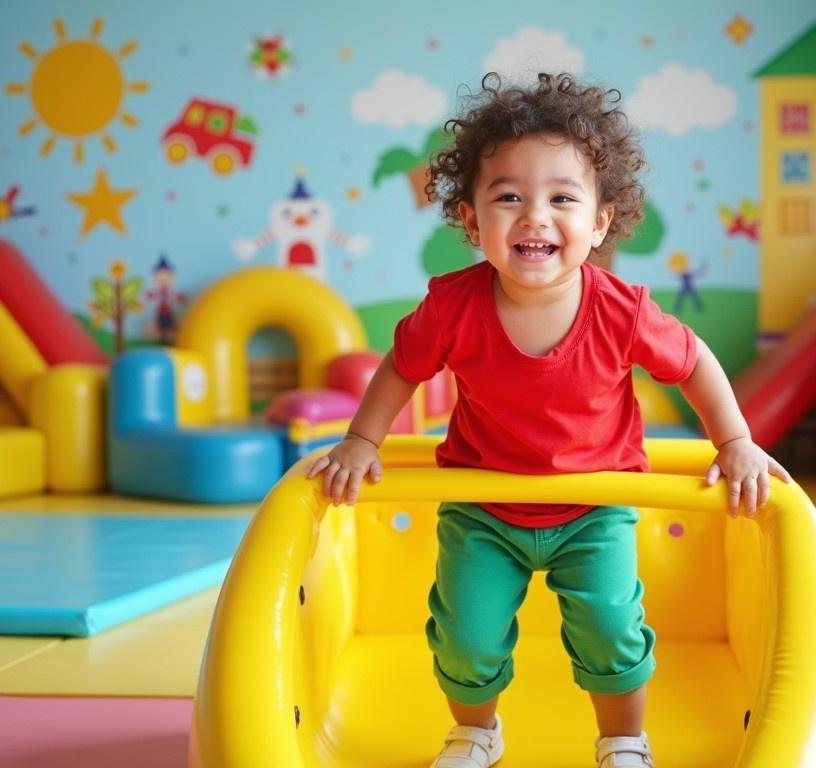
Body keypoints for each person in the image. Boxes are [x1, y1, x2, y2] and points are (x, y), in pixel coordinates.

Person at [308, 72, 791, 768]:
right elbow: (401, 367)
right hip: (484, 510)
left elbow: (692, 364)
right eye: (508, 198)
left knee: (610, 630)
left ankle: (624, 738)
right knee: (464, 636)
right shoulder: (451, 307)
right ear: (473, 223)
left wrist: (735, 440)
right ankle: (477, 730)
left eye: (562, 198)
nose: (534, 216)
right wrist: (361, 439)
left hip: (593, 508)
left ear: (598, 222)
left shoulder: (621, 310)